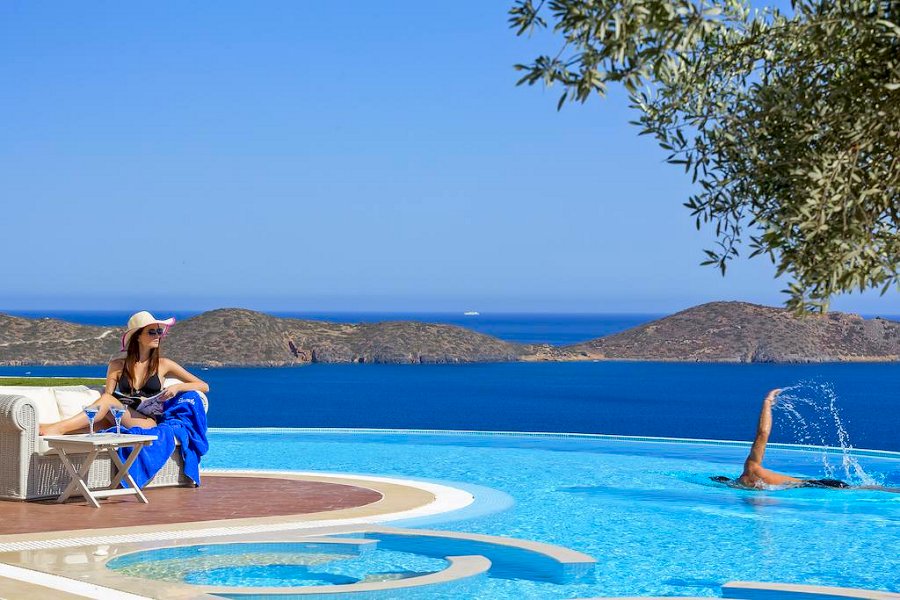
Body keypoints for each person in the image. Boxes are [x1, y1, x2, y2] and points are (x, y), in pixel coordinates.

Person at [40, 311, 209, 436]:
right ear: (137, 337)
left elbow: (204, 386)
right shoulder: (117, 365)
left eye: (159, 332)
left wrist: (178, 387)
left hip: (147, 422)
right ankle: (49, 429)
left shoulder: (164, 364)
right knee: (94, 423)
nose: (158, 336)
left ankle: (56, 428)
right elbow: (107, 398)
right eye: (152, 332)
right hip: (121, 417)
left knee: (106, 403)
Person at [711, 389, 849, 489]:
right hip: (814, 484)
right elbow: (762, 433)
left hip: (808, 487)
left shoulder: (747, 489)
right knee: (853, 489)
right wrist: (767, 401)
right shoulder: (751, 467)